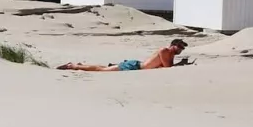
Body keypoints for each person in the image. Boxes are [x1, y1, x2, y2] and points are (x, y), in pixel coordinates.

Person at [58, 39, 189, 72]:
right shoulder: (165, 51)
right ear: (173, 45)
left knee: (104, 68)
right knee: (102, 70)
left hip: (135, 66)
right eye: (180, 47)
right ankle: (73, 66)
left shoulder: (170, 54)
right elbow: (167, 68)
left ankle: (82, 66)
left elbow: (166, 66)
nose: (181, 50)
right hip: (134, 67)